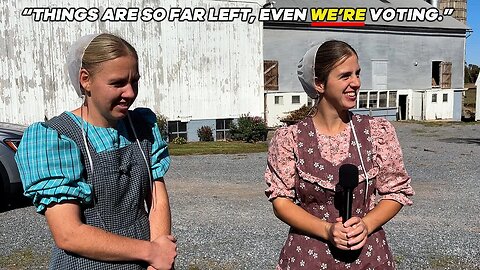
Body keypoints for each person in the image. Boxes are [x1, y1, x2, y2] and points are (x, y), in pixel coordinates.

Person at [15, 33, 176, 270]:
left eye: (135, 81)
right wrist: (151, 252)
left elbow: (156, 199)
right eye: (118, 83)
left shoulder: (142, 127)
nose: (130, 92)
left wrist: (158, 260)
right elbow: (69, 233)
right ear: (85, 80)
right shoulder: (57, 138)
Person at [264, 40, 414, 269]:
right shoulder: (290, 139)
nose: (356, 83)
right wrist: (327, 229)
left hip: (368, 257)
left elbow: (395, 191)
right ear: (319, 84)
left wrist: (366, 224)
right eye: (345, 76)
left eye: (357, 74)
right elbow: (281, 202)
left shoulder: (377, 133)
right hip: (307, 257)